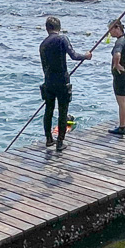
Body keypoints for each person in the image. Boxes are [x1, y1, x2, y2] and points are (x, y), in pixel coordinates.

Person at [40, 16, 91, 151]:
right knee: (63, 111)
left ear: (47, 29)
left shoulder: (43, 45)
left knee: (48, 111)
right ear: (59, 28)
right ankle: (60, 142)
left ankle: (48, 139)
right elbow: (74, 55)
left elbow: (44, 66)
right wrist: (86, 56)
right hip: (62, 81)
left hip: (48, 82)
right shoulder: (62, 39)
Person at [107, 19, 125, 135]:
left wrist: (116, 64)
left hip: (121, 76)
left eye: (110, 30)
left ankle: (121, 127)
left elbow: (117, 54)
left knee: (121, 103)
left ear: (117, 28)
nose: (109, 33)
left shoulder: (119, 42)